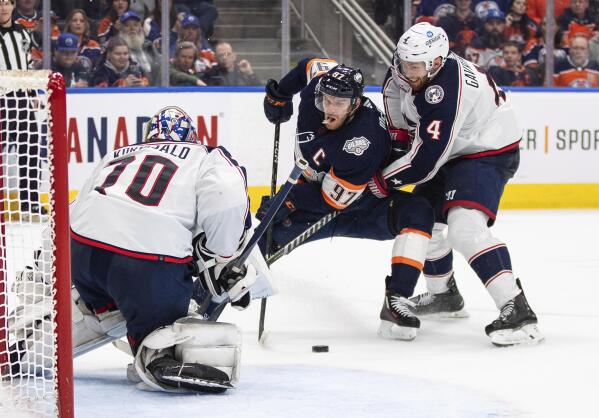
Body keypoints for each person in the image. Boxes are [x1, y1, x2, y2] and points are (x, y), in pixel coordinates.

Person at [369, 22, 543, 346]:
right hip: (454, 151)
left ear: (436, 62)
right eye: (404, 63)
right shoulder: (404, 70)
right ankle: (444, 296)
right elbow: (397, 109)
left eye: (415, 66)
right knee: (423, 217)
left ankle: (518, 311)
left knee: (465, 228)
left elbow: (424, 161)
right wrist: (389, 147)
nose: (407, 71)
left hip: (487, 150)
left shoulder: (447, 90)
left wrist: (382, 180)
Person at [69, 106, 255, 392]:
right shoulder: (204, 155)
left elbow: (75, 209)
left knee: (110, 292)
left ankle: (105, 310)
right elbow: (226, 198)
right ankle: (155, 351)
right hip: (143, 263)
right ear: (192, 137)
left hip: (82, 255)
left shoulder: (118, 153)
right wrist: (223, 255)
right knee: (161, 321)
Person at [260, 60, 435, 340]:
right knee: (257, 243)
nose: (330, 107)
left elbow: (331, 200)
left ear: (355, 104)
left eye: (339, 103)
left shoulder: (363, 140)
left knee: (418, 212)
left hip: (361, 204)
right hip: (313, 189)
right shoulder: (320, 86)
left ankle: (397, 299)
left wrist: (290, 200)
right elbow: (309, 64)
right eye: (327, 100)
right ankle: (203, 295)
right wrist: (280, 94)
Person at [0, 0, 46, 217]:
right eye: (0, 3)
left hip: (18, 95)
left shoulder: (22, 34)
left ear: (12, 6)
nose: (3, 7)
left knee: (30, 146)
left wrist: (32, 93)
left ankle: (30, 202)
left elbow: (26, 66)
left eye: (7, 3)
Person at [119, 10, 158, 84]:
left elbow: (159, 67)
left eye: (135, 25)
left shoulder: (149, 46)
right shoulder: (116, 49)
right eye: (127, 25)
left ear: (140, 27)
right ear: (121, 29)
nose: (132, 28)